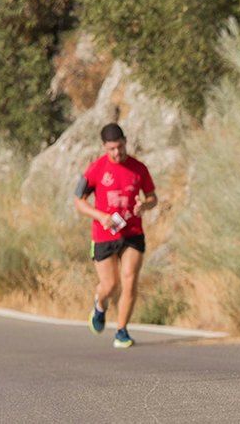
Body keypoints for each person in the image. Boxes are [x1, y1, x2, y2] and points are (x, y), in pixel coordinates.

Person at [74, 123, 158, 348]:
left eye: (120, 147)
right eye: (111, 148)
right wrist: (100, 216)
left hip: (132, 233)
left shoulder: (138, 168)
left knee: (129, 280)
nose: (117, 152)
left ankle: (122, 331)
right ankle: (99, 305)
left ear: (125, 142)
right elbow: (78, 202)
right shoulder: (95, 169)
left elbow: (152, 197)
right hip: (104, 235)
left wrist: (145, 205)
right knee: (110, 285)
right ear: (104, 147)